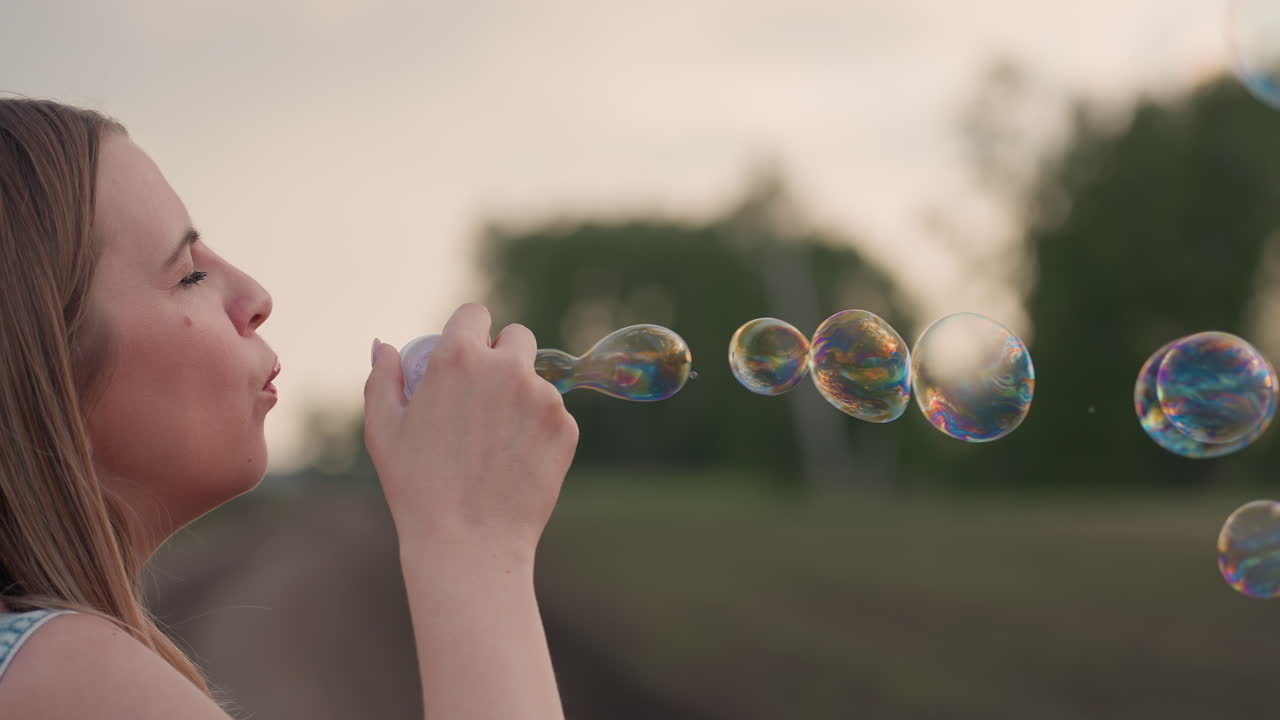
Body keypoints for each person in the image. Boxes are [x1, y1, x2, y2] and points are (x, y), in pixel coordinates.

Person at [0, 98, 580, 719]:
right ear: (45, 377)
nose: (256, 296)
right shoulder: (76, 685)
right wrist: (475, 541)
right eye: (189, 274)